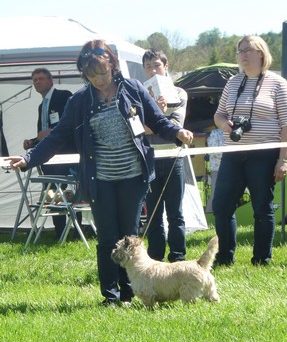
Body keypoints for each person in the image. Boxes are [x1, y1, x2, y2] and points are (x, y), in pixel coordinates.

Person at [7, 39, 193, 306]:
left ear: (112, 66)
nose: (99, 80)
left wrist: (177, 132)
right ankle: (111, 296)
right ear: (85, 75)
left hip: (133, 177)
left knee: (129, 237)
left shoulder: (133, 88)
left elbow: (158, 121)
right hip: (101, 179)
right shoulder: (80, 100)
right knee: (107, 238)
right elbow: (57, 137)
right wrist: (28, 158)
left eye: (103, 73)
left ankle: (130, 293)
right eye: (92, 76)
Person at [212, 35, 287, 266]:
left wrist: (283, 160)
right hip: (233, 153)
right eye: (240, 50)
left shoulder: (278, 83)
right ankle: (225, 257)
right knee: (221, 206)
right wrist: (223, 124)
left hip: (264, 154)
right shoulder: (232, 82)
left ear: (261, 53)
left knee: (262, 207)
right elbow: (219, 114)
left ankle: (261, 258)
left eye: (248, 50)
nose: (243, 54)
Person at [142, 49, 187, 262]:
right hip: (149, 159)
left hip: (173, 157)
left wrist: (156, 118)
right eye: (148, 67)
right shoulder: (139, 94)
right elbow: (137, 129)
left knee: (175, 213)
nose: (153, 70)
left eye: (157, 65)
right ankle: (155, 256)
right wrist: (157, 118)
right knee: (153, 214)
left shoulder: (179, 93)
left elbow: (176, 126)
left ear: (166, 66)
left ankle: (178, 256)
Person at [23, 68, 77, 239]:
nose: (37, 82)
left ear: (51, 80)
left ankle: (77, 229)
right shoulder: (41, 106)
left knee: (69, 191)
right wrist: (33, 141)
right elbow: (44, 133)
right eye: (34, 80)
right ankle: (59, 231)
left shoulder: (64, 96)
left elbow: (69, 123)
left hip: (65, 153)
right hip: (48, 156)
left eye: (40, 78)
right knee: (51, 192)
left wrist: (49, 132)